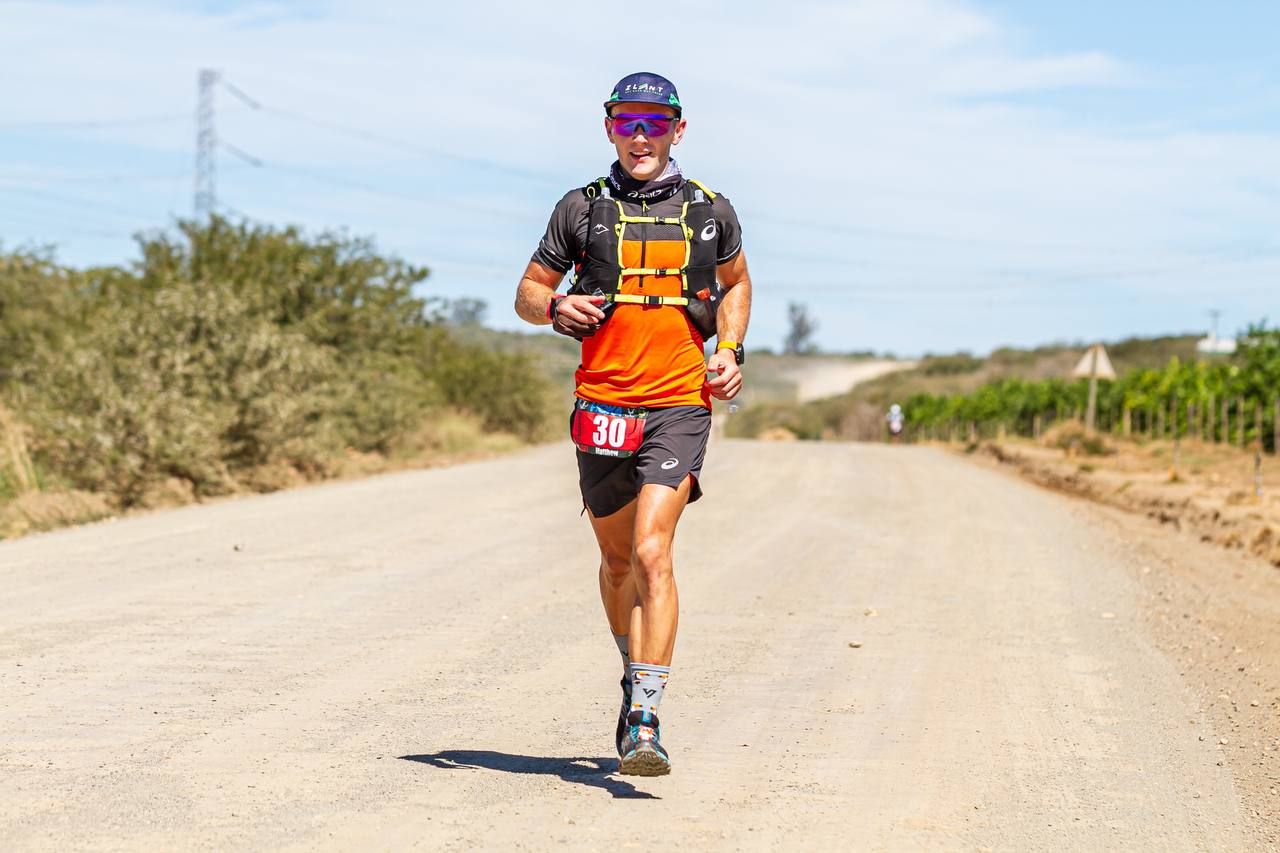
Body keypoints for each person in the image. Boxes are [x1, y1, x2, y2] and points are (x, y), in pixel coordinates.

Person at [513, 72, 752, 776]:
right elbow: (528, 291)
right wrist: (555, 309)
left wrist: (729, 351)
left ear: (679, 128)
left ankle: (646, 716)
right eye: (626, 122)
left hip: (678, 404)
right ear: (610, 128)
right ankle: (631, 670)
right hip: (602, 408)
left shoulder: (711, 212)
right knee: (617, 562)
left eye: (654, 122)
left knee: (653, 551)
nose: (640, 135)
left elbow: (736, 284)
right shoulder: (580, 209)